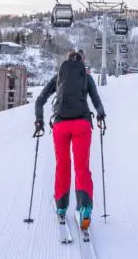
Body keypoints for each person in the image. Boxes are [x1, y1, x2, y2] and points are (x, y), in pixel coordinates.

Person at [34, 50, 106, 230]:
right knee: (82, 167)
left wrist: (39, 121)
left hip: (60, 126)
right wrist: (101, 115)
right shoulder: (86, 78)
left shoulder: (59, 77)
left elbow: (40, 100)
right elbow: (97, 101)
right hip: (81, 125)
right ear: (82, 61)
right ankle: (85, 209)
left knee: (62, 165)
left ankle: (61, 207)